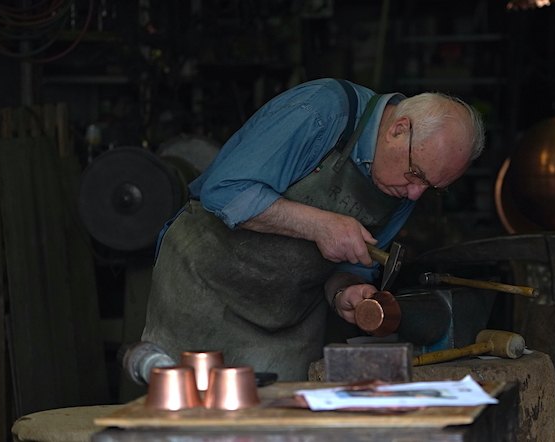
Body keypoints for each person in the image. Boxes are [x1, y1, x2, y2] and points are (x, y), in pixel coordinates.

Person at [141, 78, 485, 381]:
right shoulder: (324, 111)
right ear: (399, 129)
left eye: (432, 189)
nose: (415, 194)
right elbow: (225, 190)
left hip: (286, 322)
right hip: (205, 289)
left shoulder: (406, 184)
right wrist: (319, 225)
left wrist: (347, 292)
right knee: (180, 421)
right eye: (417, 175)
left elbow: (350, 267)